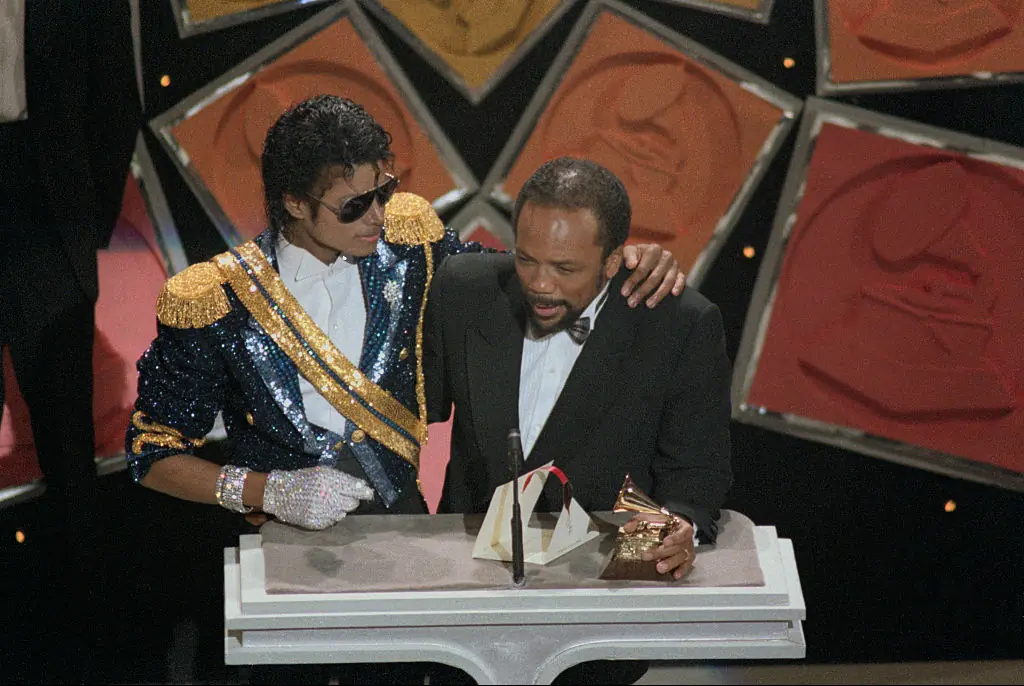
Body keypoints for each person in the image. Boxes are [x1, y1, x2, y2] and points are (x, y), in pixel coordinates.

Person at [124, 95, 684, 682]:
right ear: (293, 201)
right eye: (354, 204)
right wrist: (267, 491)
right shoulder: (214, 300)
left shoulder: (411, 245)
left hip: (404, 543)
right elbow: (153, 455)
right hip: (283, 559)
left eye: (383, 192)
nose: (376, 216)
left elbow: (521, 278)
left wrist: (622, 262)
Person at [423, 156, 734, 685]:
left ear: (614, 261)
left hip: (598, 619)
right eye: (526, 259)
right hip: (466, 607)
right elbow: (402, 415)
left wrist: (677, 528)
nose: (540, 284)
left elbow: (696, 482)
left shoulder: (679, 326)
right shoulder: (464, 288)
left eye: (565, 268)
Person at [0, 0, 140, 680]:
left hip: (46, 206)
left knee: (67, 451)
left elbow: (118, 100)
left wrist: (86, 231)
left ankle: (84, 648)